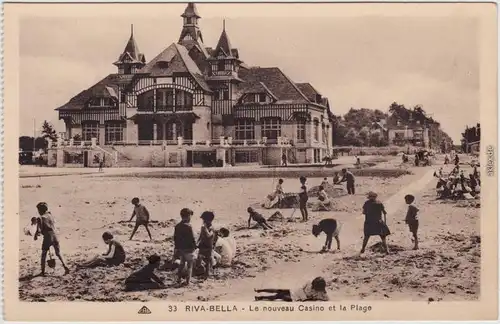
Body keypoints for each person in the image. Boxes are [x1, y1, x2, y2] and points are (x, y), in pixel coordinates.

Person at [33, 202, 70, 276]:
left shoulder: (40, 218)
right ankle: (65, 266)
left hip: (47, 237)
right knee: (58, 253)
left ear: (40, 210)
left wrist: (36, 235)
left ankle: (42, 272)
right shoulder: (50, 215)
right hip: (55, 235)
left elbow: (39, 231)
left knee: (44, 254)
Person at [254, 277, 329, 302]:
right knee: (278, 290)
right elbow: (301, 287)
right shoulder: (309, 283)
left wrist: (310, 299)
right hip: (296, 291)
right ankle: (260, 290)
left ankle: (261, 298)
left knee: (279, 296)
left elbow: (326, 298)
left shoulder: (320, 293)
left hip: (297, 297)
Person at [174, 208, 197, 286]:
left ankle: (178, 279)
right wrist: (195, 246)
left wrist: (177, 249)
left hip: (181, 248)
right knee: (190, 265)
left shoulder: (177, 226)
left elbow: (175, 238)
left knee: (182, 264)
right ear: (188, 216)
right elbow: (192, 238)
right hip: (189, 249)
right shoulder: (189, 226)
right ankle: (188, 281)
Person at [197, 211, 216, 279]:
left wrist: (204, 228)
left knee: (208, 261)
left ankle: (207, 274)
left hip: (208, 246)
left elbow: (209, 235)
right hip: (202, 245)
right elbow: (200, 236)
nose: (203, 221)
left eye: (204, 220)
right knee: (199, 259)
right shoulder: (203, 227)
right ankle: (202, 271)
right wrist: (197, 242)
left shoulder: (211, 228)